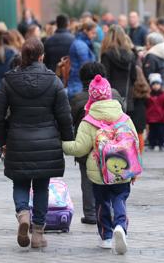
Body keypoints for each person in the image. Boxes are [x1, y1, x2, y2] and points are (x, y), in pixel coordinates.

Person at [0, 38, 73, 248]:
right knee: (42, 187)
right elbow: (64, 115)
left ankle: (23, 214)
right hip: (47, 142)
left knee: (20, 182)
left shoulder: (9, 80)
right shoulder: (53, 81)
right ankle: (38, 233)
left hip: (17, 140)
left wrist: (1, 141)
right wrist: (67, 140)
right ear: (41, 56)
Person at [62, 75, 138, 254]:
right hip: (123, 168)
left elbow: (80, 148)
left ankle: (106, 236)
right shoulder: (124, 117)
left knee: (102, 202)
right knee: (120, 197)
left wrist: (62, 144)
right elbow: (135, 142)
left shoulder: (89, 121)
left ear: (92, 97)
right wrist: (134, 169)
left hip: (99, 171)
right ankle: (120, 225)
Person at [69, 62, 124, 225]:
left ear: (82, 79)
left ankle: (91, 213)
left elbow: (69, 120)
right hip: (113, 145)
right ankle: (113, 211)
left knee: (87, 179)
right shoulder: (115, 94)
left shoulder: (78, 98)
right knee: (113, 177)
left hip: (87, 147)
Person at [101, 25, 137, 114]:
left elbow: (105, 77)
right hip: (127, 95)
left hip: (111, 97)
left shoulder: (106, 55)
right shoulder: (130, 55)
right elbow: (134, 76)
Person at [68, 22, 98, 98]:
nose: (94, 35)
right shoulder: (80, 44)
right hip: (78, 83)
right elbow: (86, 65)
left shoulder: (83, 43)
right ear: (85, 31)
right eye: (92, 33)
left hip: (78, 81)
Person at [146, 73, 164, 151]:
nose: (156, 86)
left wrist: (163, 114)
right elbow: (147, 106)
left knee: (161, 133)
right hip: (152, 118)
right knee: (152, 133)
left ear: (160, 85)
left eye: (157, 84)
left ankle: (161, 144)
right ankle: (151, 144)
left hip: (162, 119)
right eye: (154, 84)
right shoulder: (149, 95)